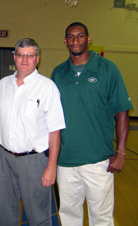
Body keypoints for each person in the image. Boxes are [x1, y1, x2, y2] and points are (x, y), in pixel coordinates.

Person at [51, 22, 133, 226]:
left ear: (88, 39)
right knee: (69, 217)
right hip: (66, 161)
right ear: (65, 41)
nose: (75, 40)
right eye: (70, 36)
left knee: (102, 219)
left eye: (80, 36)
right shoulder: (58, 73)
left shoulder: (107, 69)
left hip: (98, 161)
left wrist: (121, 152)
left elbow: (122, 111)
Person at [0, 38, 66, 226]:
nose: (25, 59)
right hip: (4, 159)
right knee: (5, 214)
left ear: (37, 59)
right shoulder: (2, 85)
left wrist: (51, 167)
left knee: (38, 217)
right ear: (14, 57)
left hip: (34, 161)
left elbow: (55, 131)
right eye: (21, 55)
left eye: (30, 55)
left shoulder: (47, 88)